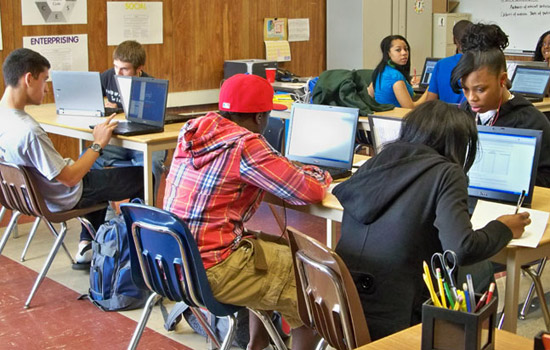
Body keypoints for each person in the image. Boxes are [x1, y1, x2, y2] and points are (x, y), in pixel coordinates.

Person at [332, 100, 530, 340]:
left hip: (347, 312)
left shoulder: (374, 163)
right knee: (480, 269)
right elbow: (462, 249)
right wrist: (503, 228)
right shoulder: (446, 172)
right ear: (458, 143)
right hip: (402, 317)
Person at [163, 74, 332, 350]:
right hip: (213, 271)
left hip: (173, 263)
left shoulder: (193, 131)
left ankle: (257, 344)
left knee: (262, 250)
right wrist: (320, 174)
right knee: (310, 272)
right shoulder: (245, 144)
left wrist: (277, 166)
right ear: (258, 119)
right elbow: (310, 192)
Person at [0, 48, 144, 269]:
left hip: (30, 198)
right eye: (44, 80)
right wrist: (98, 143)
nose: (47, 89)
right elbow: (70, 178)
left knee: (99, 174)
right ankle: (138, 257)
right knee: (143, 177)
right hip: (64, 195)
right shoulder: (29, 131)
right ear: (29, 79)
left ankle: (87, 246)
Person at [451, 24, 550, 187]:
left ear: (502, 80)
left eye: (480, 89)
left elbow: (547, 177)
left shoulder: (532, 122)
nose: (471, 98)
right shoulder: (463, 114)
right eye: (465, 89)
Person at [92, 40, 166, 204]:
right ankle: (102, 212)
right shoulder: (108, 77)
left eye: (124, 69)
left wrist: (118, 108)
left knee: (152, 163)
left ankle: (142, 212)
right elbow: (91, 100)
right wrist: (102, 105)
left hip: (142, 141)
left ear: (139, 69)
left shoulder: (152, 86)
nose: (118, 72)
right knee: (89, 157)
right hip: (118, 140)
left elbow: (150, 118)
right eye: (115, 67)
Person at [368, 35, 427, 108]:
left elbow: (369, 94)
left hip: (380, 116)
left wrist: (407, 82)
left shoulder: (380, 71)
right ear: (388, 53)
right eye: (398, 50)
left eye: (406, 49)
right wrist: (429, 90)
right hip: (396, 117)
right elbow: (409, 108)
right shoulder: (395, 76)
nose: (404, 53)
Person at [426, 20, 473, 104]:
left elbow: (430, 102)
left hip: (445, 115)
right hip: (471, 115)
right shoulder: (481, 64)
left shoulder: (441, 64)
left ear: (454, 40)